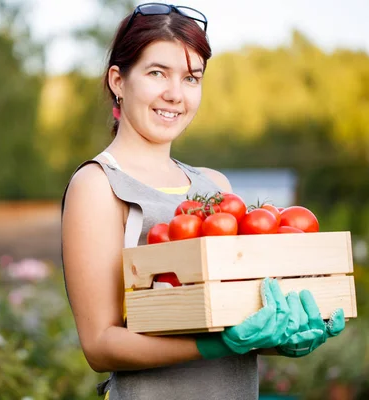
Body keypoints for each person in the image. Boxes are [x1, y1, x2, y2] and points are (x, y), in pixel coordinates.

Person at [61, 3, 345, 399]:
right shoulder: (99, 184)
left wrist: (284, 337)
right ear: (118, 81)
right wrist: (213, 346)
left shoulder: (214, 186)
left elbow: (236, 320)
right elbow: (99, 343)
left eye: (191, 78)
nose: (175, 94)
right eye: (157, 72)